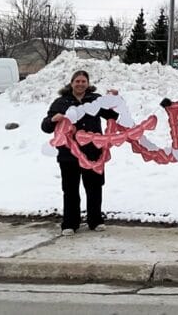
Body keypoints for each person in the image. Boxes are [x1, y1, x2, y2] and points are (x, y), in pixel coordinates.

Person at [40, 70, 119, 235]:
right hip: (69, 154)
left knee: (94, 188)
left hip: (92, 152)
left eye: (84, 81)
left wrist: (114, 100)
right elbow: (46, 127)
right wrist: (53, 120)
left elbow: (113, 116)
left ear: (88, 84)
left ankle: (95, 220)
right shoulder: (61, 102)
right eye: (77, 81)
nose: (80, 84)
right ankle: (70, 223)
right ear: (71, 83)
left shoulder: (96, 100)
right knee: (70, 189)